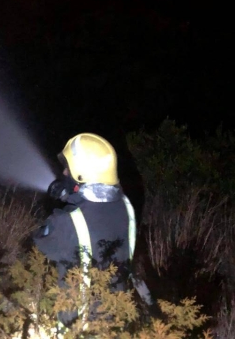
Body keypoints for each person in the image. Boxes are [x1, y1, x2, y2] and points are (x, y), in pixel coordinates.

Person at [33, 132, 138, 326]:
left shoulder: (65, 223)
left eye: (67, 169)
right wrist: (69, 195)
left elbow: (39, 241)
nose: (64, 173)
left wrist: (51, 206)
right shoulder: (125, 206)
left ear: (82, 175)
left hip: (81, 325)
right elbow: (100, 200)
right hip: (118, 315)